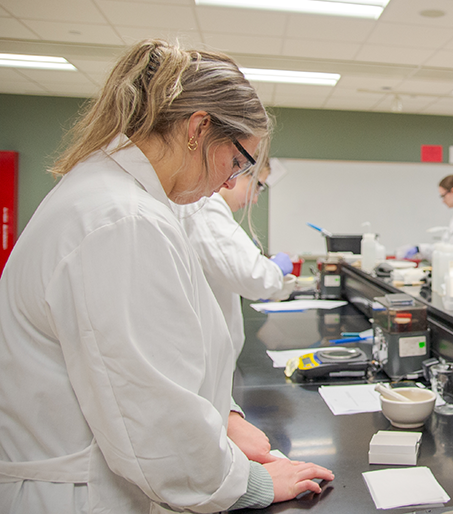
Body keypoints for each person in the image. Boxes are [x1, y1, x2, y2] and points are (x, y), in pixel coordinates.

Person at [0, 39, 332, 512]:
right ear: (199, 128)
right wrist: (251, 485)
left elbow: (161, 360)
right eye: (239, 161)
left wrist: (226, 416)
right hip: (82, 495)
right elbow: (151, 416)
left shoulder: (118, 197)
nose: (230, 181)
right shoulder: (124, 220)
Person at [175, 159, 295, 361]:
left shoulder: (208, 207)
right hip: (202, 352)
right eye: (258, 186)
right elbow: (254, 275)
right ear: (239, 171)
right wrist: (275, 269)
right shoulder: (205, 206)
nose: (255, 199)